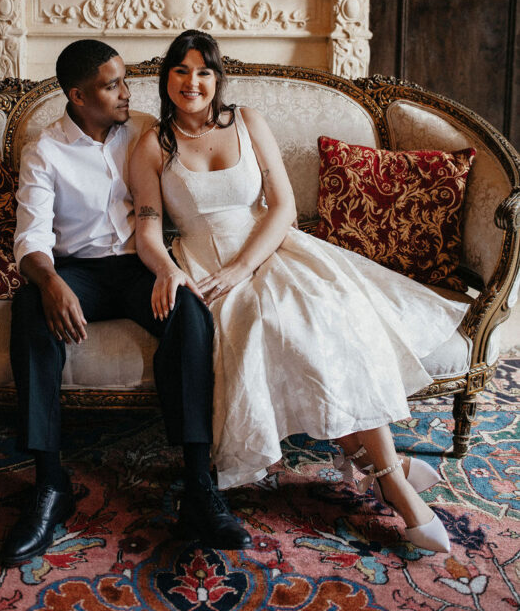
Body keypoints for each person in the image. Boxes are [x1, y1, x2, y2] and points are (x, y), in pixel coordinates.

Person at [130, 29, 471, 554]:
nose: (192, 82)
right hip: (206, 267)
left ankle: (390, 479)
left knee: (330, 317)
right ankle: (390, 471)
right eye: (180, 71)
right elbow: (148, 232)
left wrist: (246, 264)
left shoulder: (249, 122)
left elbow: (282, 206)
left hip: (268, 249)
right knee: (280, 329)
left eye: (203, 71)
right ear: (166, 78)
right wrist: (167, 272)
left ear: (218, 78)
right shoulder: (153, 144)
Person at [0, 39, 252, 566]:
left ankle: (198, 486)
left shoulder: (143, 130)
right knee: (29, 312)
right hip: (79, 273)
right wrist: (49, 283)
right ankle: (49, 485)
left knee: (189, 314)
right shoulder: (45, 150)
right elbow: (30, 239)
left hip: (141, 265)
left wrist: (170, 270)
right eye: (112, 85)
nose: (126, 92)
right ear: (77, 94)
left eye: (125, 80)